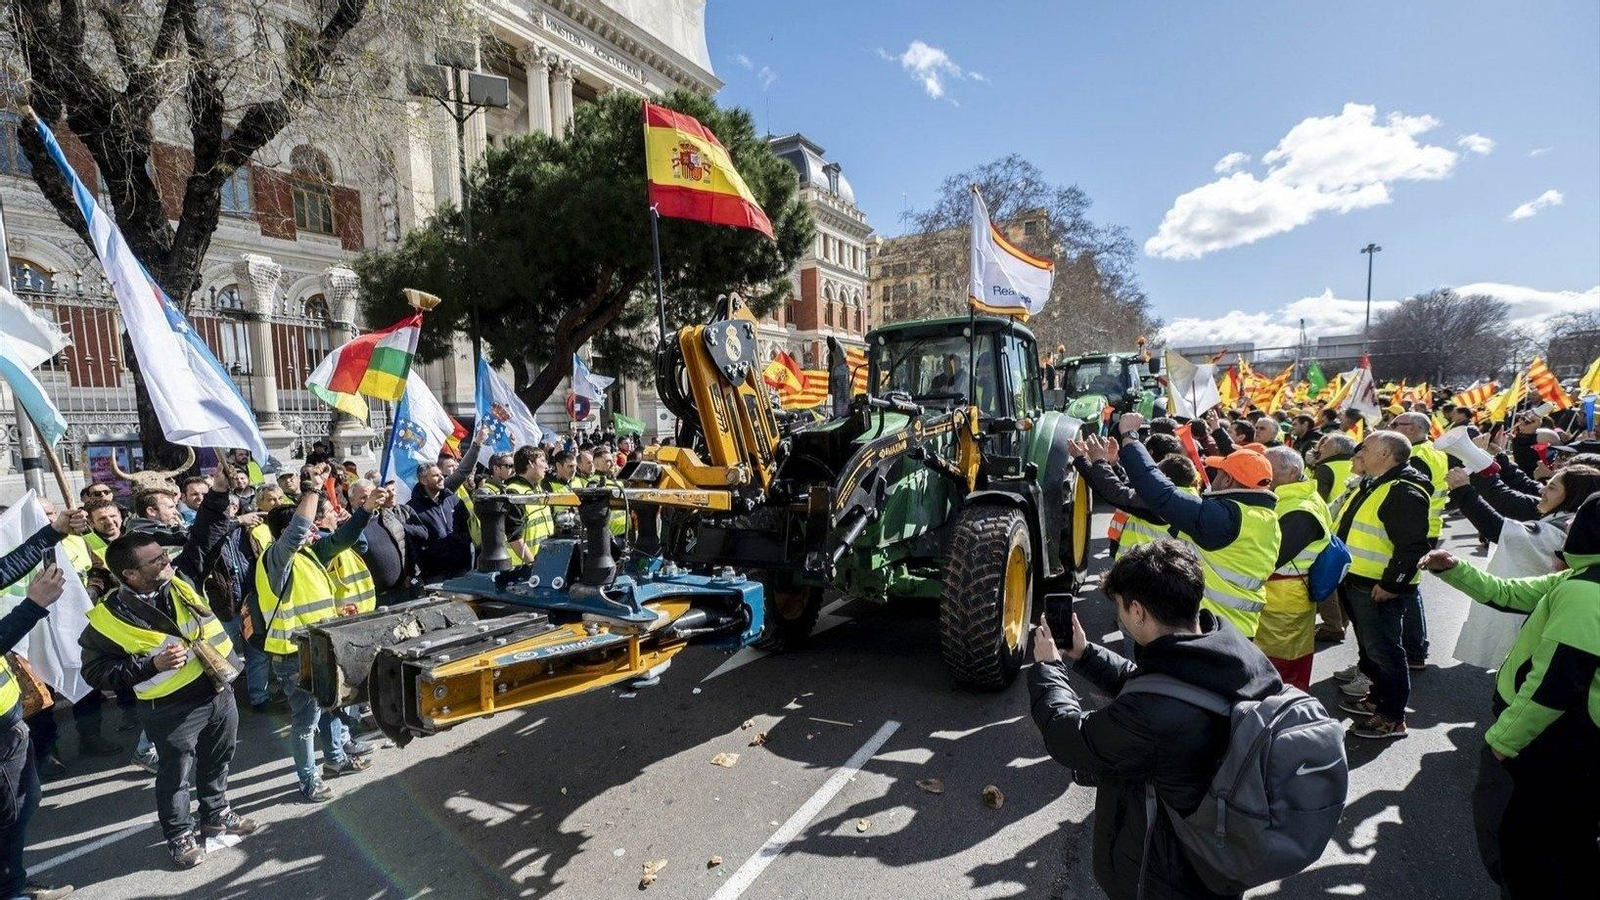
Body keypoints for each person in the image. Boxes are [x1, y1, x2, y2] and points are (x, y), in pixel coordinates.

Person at [1029, 539, 1283, 900]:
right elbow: (1161, 687)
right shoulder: (1236, 657)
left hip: (1164, 879)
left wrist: (1049, 669)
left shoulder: (1152, 717)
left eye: (1119, 607)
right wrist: (1084, 655)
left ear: (1137, 611)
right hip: (1218, 860)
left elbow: (1071, 737)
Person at [1421, 495, 1600, 897]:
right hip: (1577, 744)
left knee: (1525, 850)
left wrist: (1502, 743)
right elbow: (1510, 593)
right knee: (1570, 845)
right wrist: (1456, 569)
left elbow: (1555, 685)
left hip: (1555, 743)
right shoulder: (1581, 579)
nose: (1566, 526)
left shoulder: (1587, 592)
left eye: (1575, 520)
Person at [79, 529, 256, 870]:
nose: (166, 561)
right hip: (171, 709)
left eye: (163, 554)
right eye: (156, 560)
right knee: (176, 776)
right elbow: (95, 673)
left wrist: (219, 492)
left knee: (219, 759)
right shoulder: (107, 618)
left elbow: (206, 533)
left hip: (219, 691)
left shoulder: (180, 579)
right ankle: (179, 835)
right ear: (130, 574)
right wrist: (150, 665)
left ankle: (216, 814)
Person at [254, 468, 378, 802]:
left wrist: (365, 511)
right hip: (293, 655)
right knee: (305, 722)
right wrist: (311, 488)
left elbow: (342, 538)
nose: (313, 532)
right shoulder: (277, 559)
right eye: (309, 525)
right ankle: (309, 780)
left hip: (321, 649)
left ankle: (336, 760)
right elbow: (296, 532)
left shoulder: (310, 554)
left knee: (330, 705)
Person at [1114, 413, 1282, 639]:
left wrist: (1130, 438)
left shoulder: (1226, 518)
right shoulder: (1265, 518)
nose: (1215, 478)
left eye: (1219, 472)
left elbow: (1161, 494)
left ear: (1229, 480)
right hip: (1239, 628)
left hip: (1213, 628)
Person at [0, 510, 86, 900]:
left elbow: (5, 568)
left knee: (23, 799)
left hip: (8, 718)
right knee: (12, 808)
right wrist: (33, 606)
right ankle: (12, 889)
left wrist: (52, 532)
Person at [1331, 431, 1433, 740]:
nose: (1360, 451)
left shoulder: (1403, 490)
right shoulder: (1377, 483)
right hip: (1359, 581)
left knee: (1386, 652)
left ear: (1387, 455)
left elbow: (1413, 546)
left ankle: (1391, 717)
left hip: (1378, 587)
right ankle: (1377, 699)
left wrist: (1393, 584)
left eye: (1368, 448)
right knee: (1371, 648)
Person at [1448, 464, 1600, 669]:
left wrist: (1462, 490)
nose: (1542, 490)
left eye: (1552, 488)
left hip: (1529, 614)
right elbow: (1505, 499)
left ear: (1573, 498)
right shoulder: (1566, 520)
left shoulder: (1558, 529)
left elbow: (1497, 529)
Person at [1256, 447, 1331, 690]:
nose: (1263, 474)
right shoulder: (1296, 497)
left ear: (1293, 472)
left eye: (1270, 469)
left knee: (1281, 668)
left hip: (1284, 599)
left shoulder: (1301, 510)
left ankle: (1282, 717)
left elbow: (1272, 557)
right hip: (1280, 594)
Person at [406, 428, 486, 581]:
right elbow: (413, 543)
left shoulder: (452, 499)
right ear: (423, 481)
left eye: (441, 475)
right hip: (435, 573)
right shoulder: (412, 508)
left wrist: (463, 542)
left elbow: (465, 525)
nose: (441, 478)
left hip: (462, 567)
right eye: (436, 476)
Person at [351, 479, 426, 608]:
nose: (369, 500)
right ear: (351, 501)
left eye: (371, 496)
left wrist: (409, 573)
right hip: (375, 599)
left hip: (403, 591)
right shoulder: (349, 528)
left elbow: (407, 545)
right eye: (363, 497)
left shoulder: (389, 517)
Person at [504, 446, 555, 563]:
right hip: (523, 568)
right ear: (530, 464)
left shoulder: (538, 489)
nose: (546, 466)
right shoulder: (514, 492)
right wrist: (532, 564)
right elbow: (514, 538)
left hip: (544, 563)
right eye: (542, 461)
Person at [127, 488, 188, 553]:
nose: (176, 513)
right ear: (151, 511)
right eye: (170, 507)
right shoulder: (142, 537)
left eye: (175, 507)